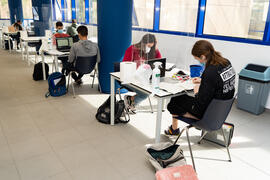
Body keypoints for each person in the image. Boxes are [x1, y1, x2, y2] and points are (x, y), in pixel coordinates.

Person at [165, 40, 236, 135]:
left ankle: (183, 126)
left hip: (209, 112)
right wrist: (203, 81)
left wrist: (197, 91)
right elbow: (220, 81)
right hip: (222, 110)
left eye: (198, 59)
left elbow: (200, 103)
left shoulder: (209, 72)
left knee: (173, 102)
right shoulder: (226, 62)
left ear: (203, 56)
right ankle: (175, 128)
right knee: (179, 100)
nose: (199, 61)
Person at [122, 33, 162, 112]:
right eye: (147, 46)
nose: (149, 48)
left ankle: (131, 101)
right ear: (142, 43)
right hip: (132, 78)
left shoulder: (155, 51)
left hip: (147, 78)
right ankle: (130, 101)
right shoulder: (132, 49)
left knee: (157, 88)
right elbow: (126, 65)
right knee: (145, 93)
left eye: (151, 46)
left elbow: (160, 63)